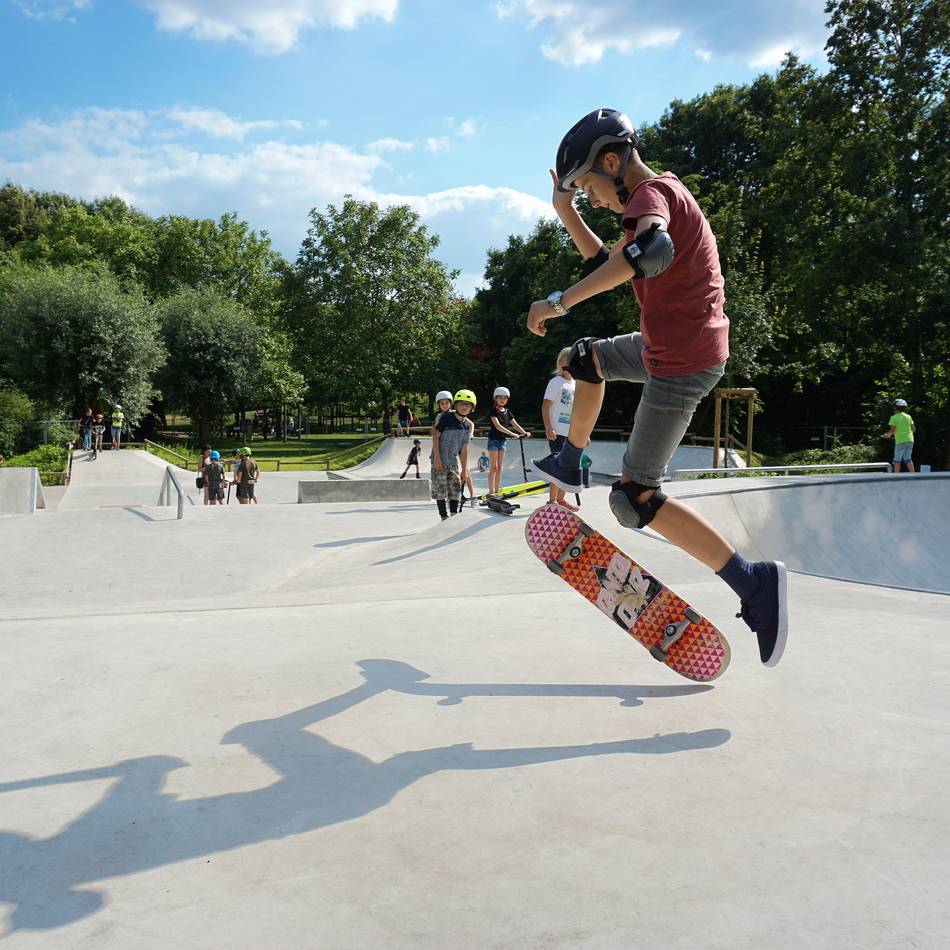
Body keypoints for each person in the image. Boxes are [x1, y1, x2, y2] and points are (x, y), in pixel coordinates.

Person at [525, 107, 787, 667]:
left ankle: (754, 583)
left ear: (612, 162)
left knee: (633, 498)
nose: (594, 201)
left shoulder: (652, 196)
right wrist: (565, 210)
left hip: (682, 362)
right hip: (664, 345)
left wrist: (558, 302)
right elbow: (608, 262)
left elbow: (650, 252)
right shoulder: (647, 201)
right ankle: (570, 461)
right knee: (585, 359)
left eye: (589, 189)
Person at [542, 347, 578, 510]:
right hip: (557, 431)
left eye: (567, 362)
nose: (564, 366)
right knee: (558, 465)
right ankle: (552, 501)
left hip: (572, 432)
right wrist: (548, 427)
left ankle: (561, 499)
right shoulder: (555, 382)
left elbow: (578, 410)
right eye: (561, 363)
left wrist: (584, 433)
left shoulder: (576, 384)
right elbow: (545, 406)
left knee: (569, 466)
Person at [430, 389, 474, 520]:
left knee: (455, 489)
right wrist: (437, 458)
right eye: (461, 404)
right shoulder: (446, 418)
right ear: (455, 405)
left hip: (453, 461)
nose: (464, 407)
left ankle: (453, 516)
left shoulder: (466, 426)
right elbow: (435, 436)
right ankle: (444, 517)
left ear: (472, 408)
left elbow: (464, 450)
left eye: (467, 405)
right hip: (439, 459)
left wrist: (464, 470)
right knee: (440, 489)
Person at [486, 386, 531, 496]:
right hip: (493, 441)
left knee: (500, 467)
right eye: (500, 398)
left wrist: (524, 432)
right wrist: (512, 434)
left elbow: (515, 424)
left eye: (505, 398)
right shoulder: (493, 411)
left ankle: (497, 490)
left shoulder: (507, 412)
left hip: (502, 441)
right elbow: (498, 426)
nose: (502, 400)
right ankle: (491, 492)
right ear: (495, 399)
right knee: (494, 467)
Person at [885, 398, 916, 473]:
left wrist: (887, 435)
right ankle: (914, 475)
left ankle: (896, 476)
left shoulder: (893, 417)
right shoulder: (908, 416)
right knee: (908, 459)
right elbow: (913, 429)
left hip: (900, 441)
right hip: (910, 440)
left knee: (897, 460)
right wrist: (907, 434)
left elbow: (892, 430)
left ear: (895, 407)